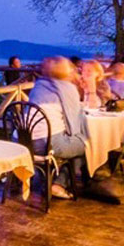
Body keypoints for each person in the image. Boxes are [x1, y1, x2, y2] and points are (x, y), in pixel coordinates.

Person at [28, 57, 90, 199]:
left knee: (74, 142)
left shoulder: (39, 85)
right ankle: (59, 184)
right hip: (46, 143)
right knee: (86, 144)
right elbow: (74, 121)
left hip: (24, 140)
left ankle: (46, 179)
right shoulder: (67, 89)